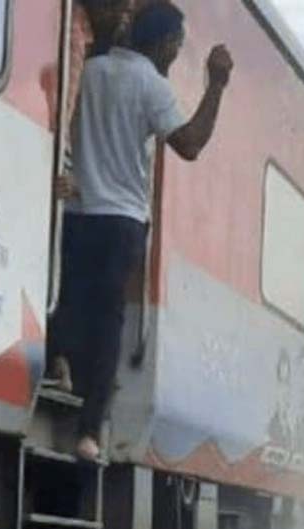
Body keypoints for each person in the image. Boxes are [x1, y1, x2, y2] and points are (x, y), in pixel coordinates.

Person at [50, 1, 233, 460]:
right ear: (163, 42)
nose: (175, 53)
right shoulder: (150, 84)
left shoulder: (89, 72)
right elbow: (189, 144)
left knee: (70, 296)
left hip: (75, 209)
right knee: (108, 318)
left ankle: (59, 365)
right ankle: (89, 431)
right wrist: (216, 85)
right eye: (176, 44)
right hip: (122, 220)